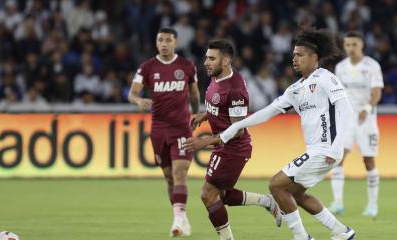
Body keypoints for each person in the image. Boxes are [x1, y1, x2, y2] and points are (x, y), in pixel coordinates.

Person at [219, 29, 356, 240]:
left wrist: (337, 144)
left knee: (276, 184)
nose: (294, 59)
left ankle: (301, 237)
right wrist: (236, 126)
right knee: (293, 193)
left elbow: (346, 110)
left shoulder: (325, 78)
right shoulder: (295, 89)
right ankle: (341, 231)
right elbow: (267, 112)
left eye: (300, 55)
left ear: (314, 57)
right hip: (317, 150)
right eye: (293, 55)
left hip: (326, 149)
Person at [184, 39, 282, 240]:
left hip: (234, 148)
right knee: (220, 195)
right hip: (223, 145)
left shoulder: (235, 88)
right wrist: (204, 115)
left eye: (211, 58)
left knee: (208, 195)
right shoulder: (215, 77)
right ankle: (267, 202)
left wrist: (206, 141)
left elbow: (237, 130)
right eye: (206, 57)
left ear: (226, 60)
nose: (206, 62)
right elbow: (219, 108)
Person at [128, 27, 200, 237]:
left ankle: (178, 219)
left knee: (179, 173)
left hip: (181, 128)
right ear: (156, 43)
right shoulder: (147, 67)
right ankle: (180, 216)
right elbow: (132, 93)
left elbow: (195, 94)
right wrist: (138, 99)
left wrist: (196, 113)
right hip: (158, 129)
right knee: (169, 177)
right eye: (161, 40)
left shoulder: (187, 66)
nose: (164, 43)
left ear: (176, 43)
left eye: (169, 40)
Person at [329, 32, 383, 217]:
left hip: (367, 120)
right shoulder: (341, 67)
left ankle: (373, 205)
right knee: (338, 158)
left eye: (354, 44)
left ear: (362, 46)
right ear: (344, 46)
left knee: (368, 160)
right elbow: (338, 93)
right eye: (348, 44)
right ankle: (337, 203)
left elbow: (376, 92)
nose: (351, 48)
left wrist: (367, 108)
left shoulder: (371, 66)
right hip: (347, 120)